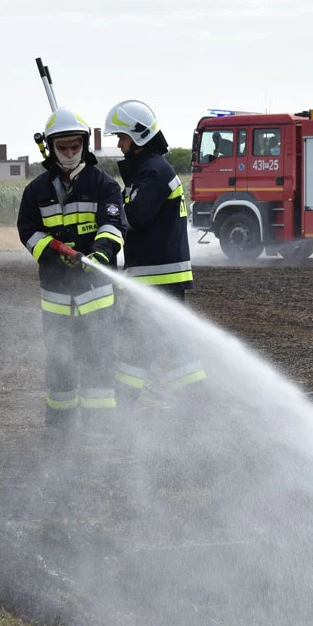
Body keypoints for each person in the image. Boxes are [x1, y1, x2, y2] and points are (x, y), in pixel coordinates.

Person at [17, 107, 126, 435]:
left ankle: (99, 430)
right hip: (56, 296)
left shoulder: (104, 185)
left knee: (98, 362)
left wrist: (101, 254)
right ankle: (60, 428)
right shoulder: (37, 190)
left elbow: (113, 225)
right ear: (51, 148)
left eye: (74, 146)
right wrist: (54, 254)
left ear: (84, 144)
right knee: (60, 365)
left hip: (96, 294)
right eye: (62, 148)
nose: (68, 153)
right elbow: (28, 231)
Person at [104, 99, 206, 409]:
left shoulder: (154, 172)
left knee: (166, 347)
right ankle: (129, 407)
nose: (120, 146)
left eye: (122, 138)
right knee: (146, 346)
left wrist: (106, 200)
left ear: (138, 137)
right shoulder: (147, 170)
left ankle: (194, 406)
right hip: (154, 276)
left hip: (159, 277)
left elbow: (134, 216)